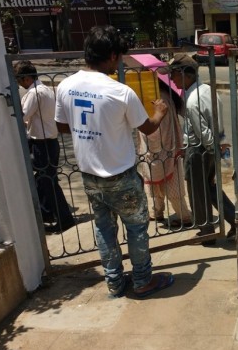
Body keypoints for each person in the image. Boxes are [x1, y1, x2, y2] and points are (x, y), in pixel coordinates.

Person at [54, 25, 173, 299]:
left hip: (90, 177)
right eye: (118, 57)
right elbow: (148, 128)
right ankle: (142, 281)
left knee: (104, 229)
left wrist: (89, 128)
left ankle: (115, 282)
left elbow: (61, 126)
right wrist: (160, 112)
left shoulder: (65, 86)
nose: (118, 62)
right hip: (121, 176)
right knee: (137, 229)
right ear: (111, 55)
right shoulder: (120, 92)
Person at [160, 53, 238, 246]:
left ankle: (206, 231)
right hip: (211, 149)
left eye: (173, 74)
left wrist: (211, 148)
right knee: (209, 188)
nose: (172, 79)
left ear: (185, 74)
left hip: (199, 151)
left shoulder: (193, 100)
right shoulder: (208, 91)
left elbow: (203, 133)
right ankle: (236, 218)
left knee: (197, 192)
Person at [14, 60, 75, 234]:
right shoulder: (45, 90)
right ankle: (47, 213)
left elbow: (22, 116)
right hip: (48, 142)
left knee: (49, 183)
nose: (19, 84)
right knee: (43, 180)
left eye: (19, 80)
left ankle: (64, 219)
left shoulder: (35, 93)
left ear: (26, 78)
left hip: (43, 143)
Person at [136, 73, 192, 228]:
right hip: (167, 148)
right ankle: (158, 212)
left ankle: (184, 216)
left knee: (169, 187)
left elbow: (154, 129)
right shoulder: (166, 95)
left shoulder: (155, 98)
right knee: (160, 185)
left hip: (161, 149)